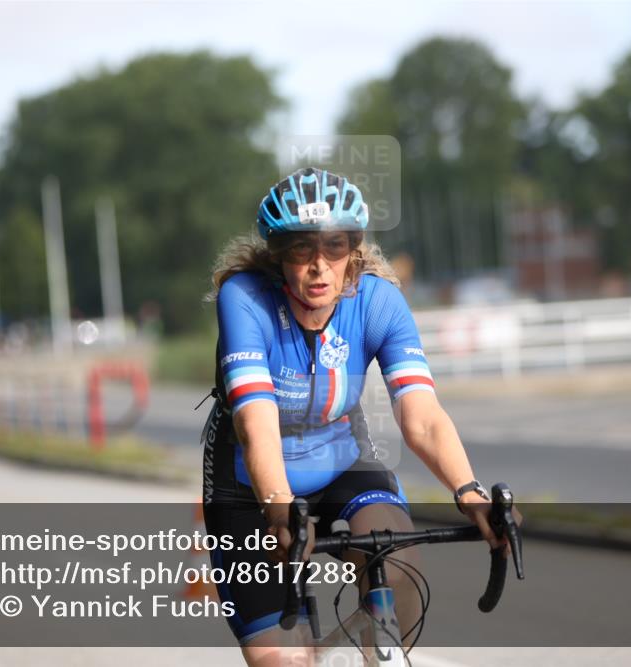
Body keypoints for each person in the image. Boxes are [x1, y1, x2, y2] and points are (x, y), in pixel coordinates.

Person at [202, 167, 504, 666]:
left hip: (341, 462)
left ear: (354, 249)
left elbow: (422, 417)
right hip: (250, 486)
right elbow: (256, 426)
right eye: (302, 249)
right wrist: (278, 510)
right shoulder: (245, 298)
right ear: (278, 254)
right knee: (281, 660)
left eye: (335, 246)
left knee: (398, 564)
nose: (319, 266)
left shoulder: (378, 301)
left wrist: (470, 493)